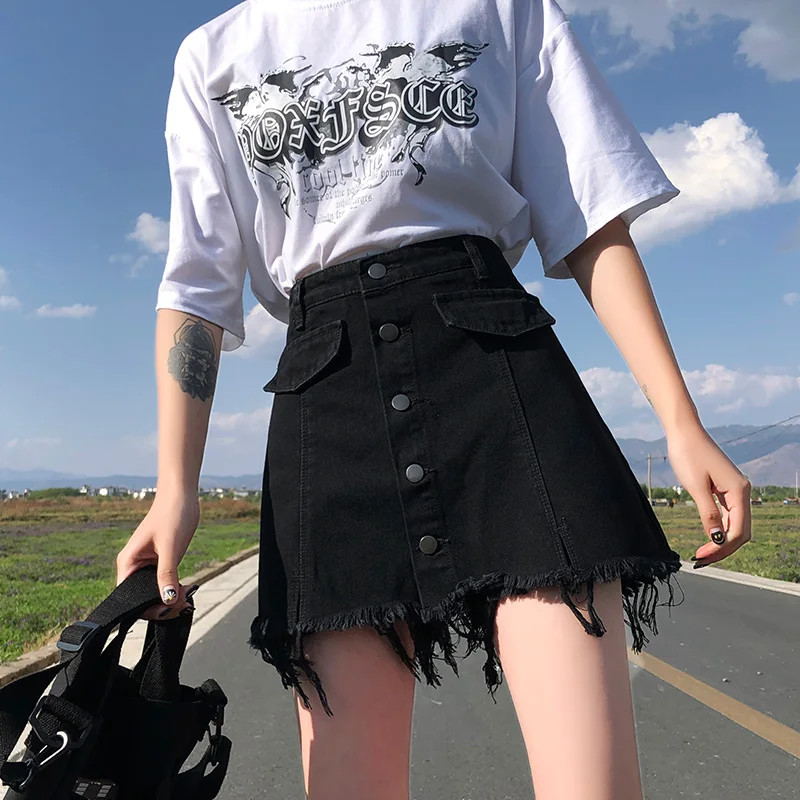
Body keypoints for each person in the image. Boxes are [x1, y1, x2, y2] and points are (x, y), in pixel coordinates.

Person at [115, 0, 753, 797]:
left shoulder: (500, 6)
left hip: (498, 376)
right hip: (328, 401)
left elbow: (590, 212)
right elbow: (197, 286)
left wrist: (681, 422)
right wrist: (175, 489)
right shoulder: (213, 56)